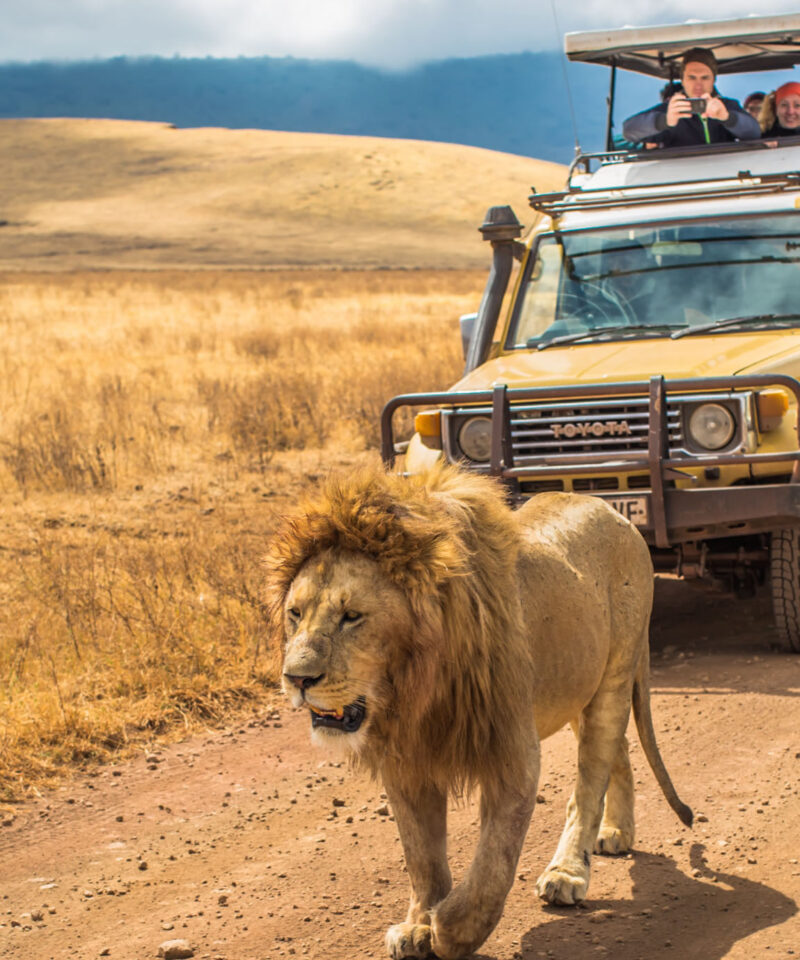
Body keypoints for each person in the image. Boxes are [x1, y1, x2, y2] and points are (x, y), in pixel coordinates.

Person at [622, 48, 761, 147]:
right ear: (682, 80)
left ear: (714, 80)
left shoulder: (726, 106)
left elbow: (754, 132)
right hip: (683, 183)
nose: (698, 85)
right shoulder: (670, 110)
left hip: (724, 180)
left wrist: (727, 118)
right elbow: (629, 131)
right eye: (692, 78)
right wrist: (665, 121)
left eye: (705, 78)